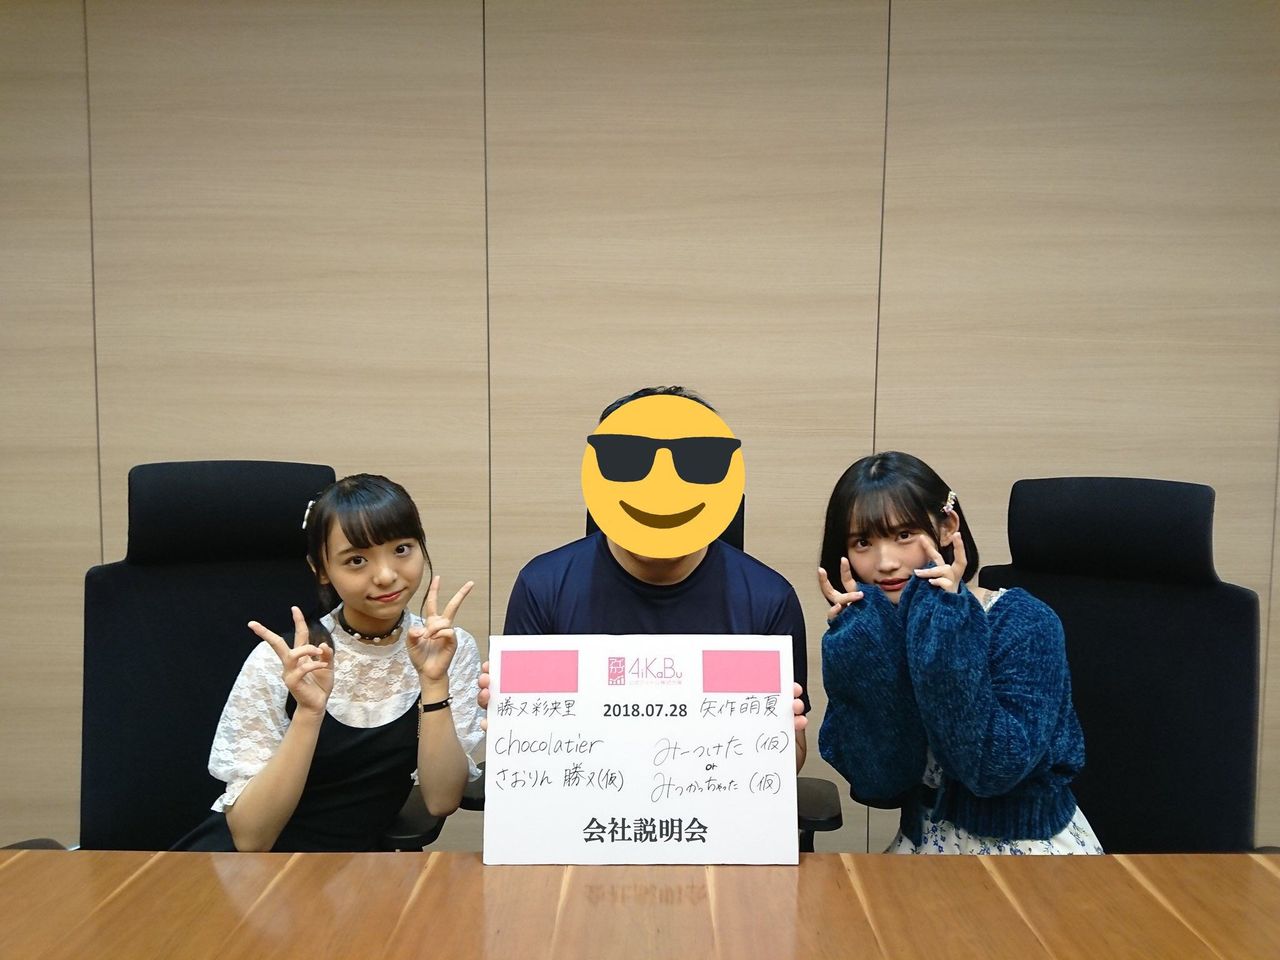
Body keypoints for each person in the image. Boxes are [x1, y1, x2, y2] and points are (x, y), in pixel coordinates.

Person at [488, 386, 810, 769]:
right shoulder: (542, 587)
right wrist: (512, 724)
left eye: (692, 464)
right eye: (628, 462)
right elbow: (527, 753)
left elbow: (791, 760)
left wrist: (779, 737)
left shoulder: (769, 599)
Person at [173, 474, 483, 852]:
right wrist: (308, 712)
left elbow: (440, 801)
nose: (386, 575)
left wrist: (434, 683)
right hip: (249, 869)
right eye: (356, 560)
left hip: (353, 869)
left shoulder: (446, 648)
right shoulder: (282, 660)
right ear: (321, 569)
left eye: (402, 549)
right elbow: (250, 839)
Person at [816, 451, 1102, 853]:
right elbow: (878, 783)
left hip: (1028, 848)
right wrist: (857, 650)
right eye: (863, 542)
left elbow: (991, 770)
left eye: (904, 535)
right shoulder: (871, 634)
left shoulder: (1026, 621)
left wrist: (948, 630)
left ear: (947, 526)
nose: (885, 562)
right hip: (924, 843)